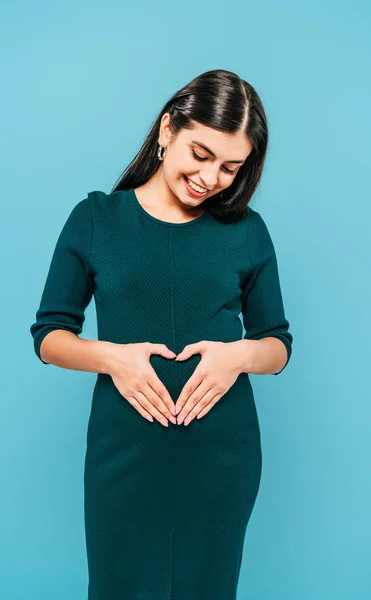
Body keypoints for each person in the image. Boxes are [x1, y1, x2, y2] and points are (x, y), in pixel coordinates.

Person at [30, 68, 293, 599]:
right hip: (123, 450)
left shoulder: (246, 232)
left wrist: (236, 357)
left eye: (230, 167)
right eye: (201, 154)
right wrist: (113, 358)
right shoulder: (95, 219)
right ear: (168, 129)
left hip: (223, 454)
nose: (211, 178)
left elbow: (278, 344)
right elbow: (49, 335)